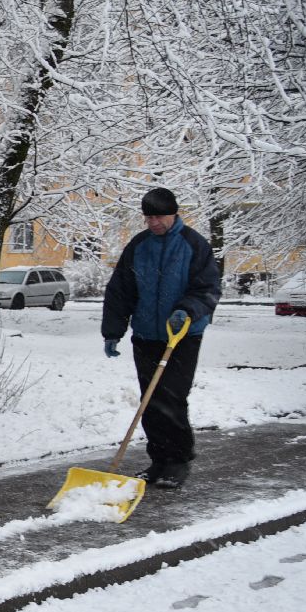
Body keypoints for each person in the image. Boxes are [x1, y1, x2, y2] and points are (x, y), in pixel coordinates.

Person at [100, 187, 221, 489]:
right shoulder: (139, 246)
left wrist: (186, 310)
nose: (153, 223)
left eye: (158, 217)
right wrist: (113, 331)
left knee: (172, 398)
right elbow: (120, 290)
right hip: (146, 335)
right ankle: (158, 461)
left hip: (182, 335)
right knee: (150, 400)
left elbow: (207, 288)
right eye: (148, 217)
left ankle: (178, 461)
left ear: (173, 213)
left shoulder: (193, 244)